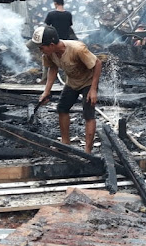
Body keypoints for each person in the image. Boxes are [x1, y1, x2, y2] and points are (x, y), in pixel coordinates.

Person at [33, 25, 102, 153]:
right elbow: (52, 69)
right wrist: (46, 91)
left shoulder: (77, 49)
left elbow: (97, 64)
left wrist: (93, 89)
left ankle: (88, 151)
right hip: (72, 82)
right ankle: (65, 144)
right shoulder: (49, 53)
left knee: (88, 114)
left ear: (52, 44)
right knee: (62, 109)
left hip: (88, 82)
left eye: (41, 47)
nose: (40, 50)